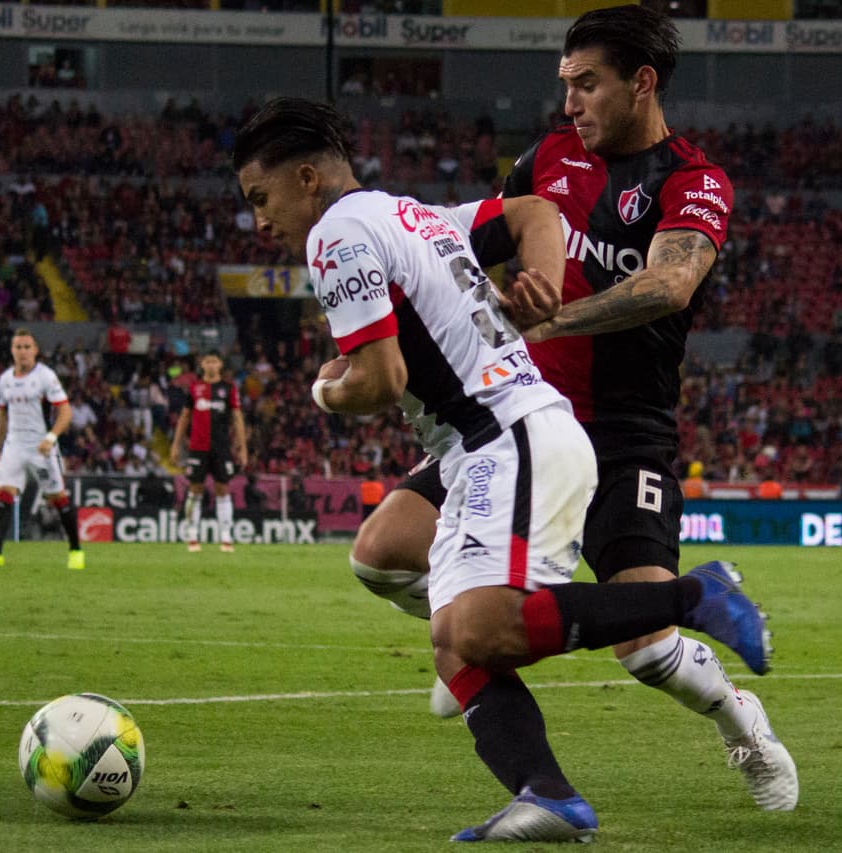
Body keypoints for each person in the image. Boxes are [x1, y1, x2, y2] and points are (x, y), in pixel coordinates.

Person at [234, 95, 773, 843]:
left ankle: (695, 595)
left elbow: (381, 380)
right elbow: (535, 217)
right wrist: (543, 283)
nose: (260, 220)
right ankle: (547, 793)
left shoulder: (335, 234)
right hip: (488, 447)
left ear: (306, 178)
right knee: (450, 637)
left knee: (480, 627)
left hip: (508, 436)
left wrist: (326, 388)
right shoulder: (408, 214)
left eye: (261, 199)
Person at [348, 4, 798, 814]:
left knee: (645, 645)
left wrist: (552, 315)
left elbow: (669, 285)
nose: (570, 104)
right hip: (514, 418)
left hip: (626, 436)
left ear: (642, 82)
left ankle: (744, 724)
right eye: (566, 85)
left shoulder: (692, 181)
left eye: (588, 85)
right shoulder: (546, 158)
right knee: (381, 554)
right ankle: (468, 631)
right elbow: (469, 256)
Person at [0, 329, 85, 569]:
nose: (22, 352)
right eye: (18, 347)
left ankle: (76, 550)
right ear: (12, 351)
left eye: (26, 347)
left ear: (35, 350)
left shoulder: (46, 376)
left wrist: (51, 437)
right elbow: (2, 414)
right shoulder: (5, 379)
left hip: (40, 447)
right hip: (14, 445)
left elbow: (65, 412)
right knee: (4, 492)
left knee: (58, 498)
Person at [169, 350, 248, 553]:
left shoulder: (229, 388)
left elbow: (237, 418)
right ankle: (192, 535)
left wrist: (242, 446)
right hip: (197, 447)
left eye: (214, 361)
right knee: (195, 489)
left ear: (220, 364)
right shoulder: (194, 388)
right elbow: (184, 417)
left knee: (223, 489)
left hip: (221, 448)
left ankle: (226, 537)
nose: (211, 365)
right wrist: (175, 445)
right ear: (202, 364)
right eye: (208, 361)